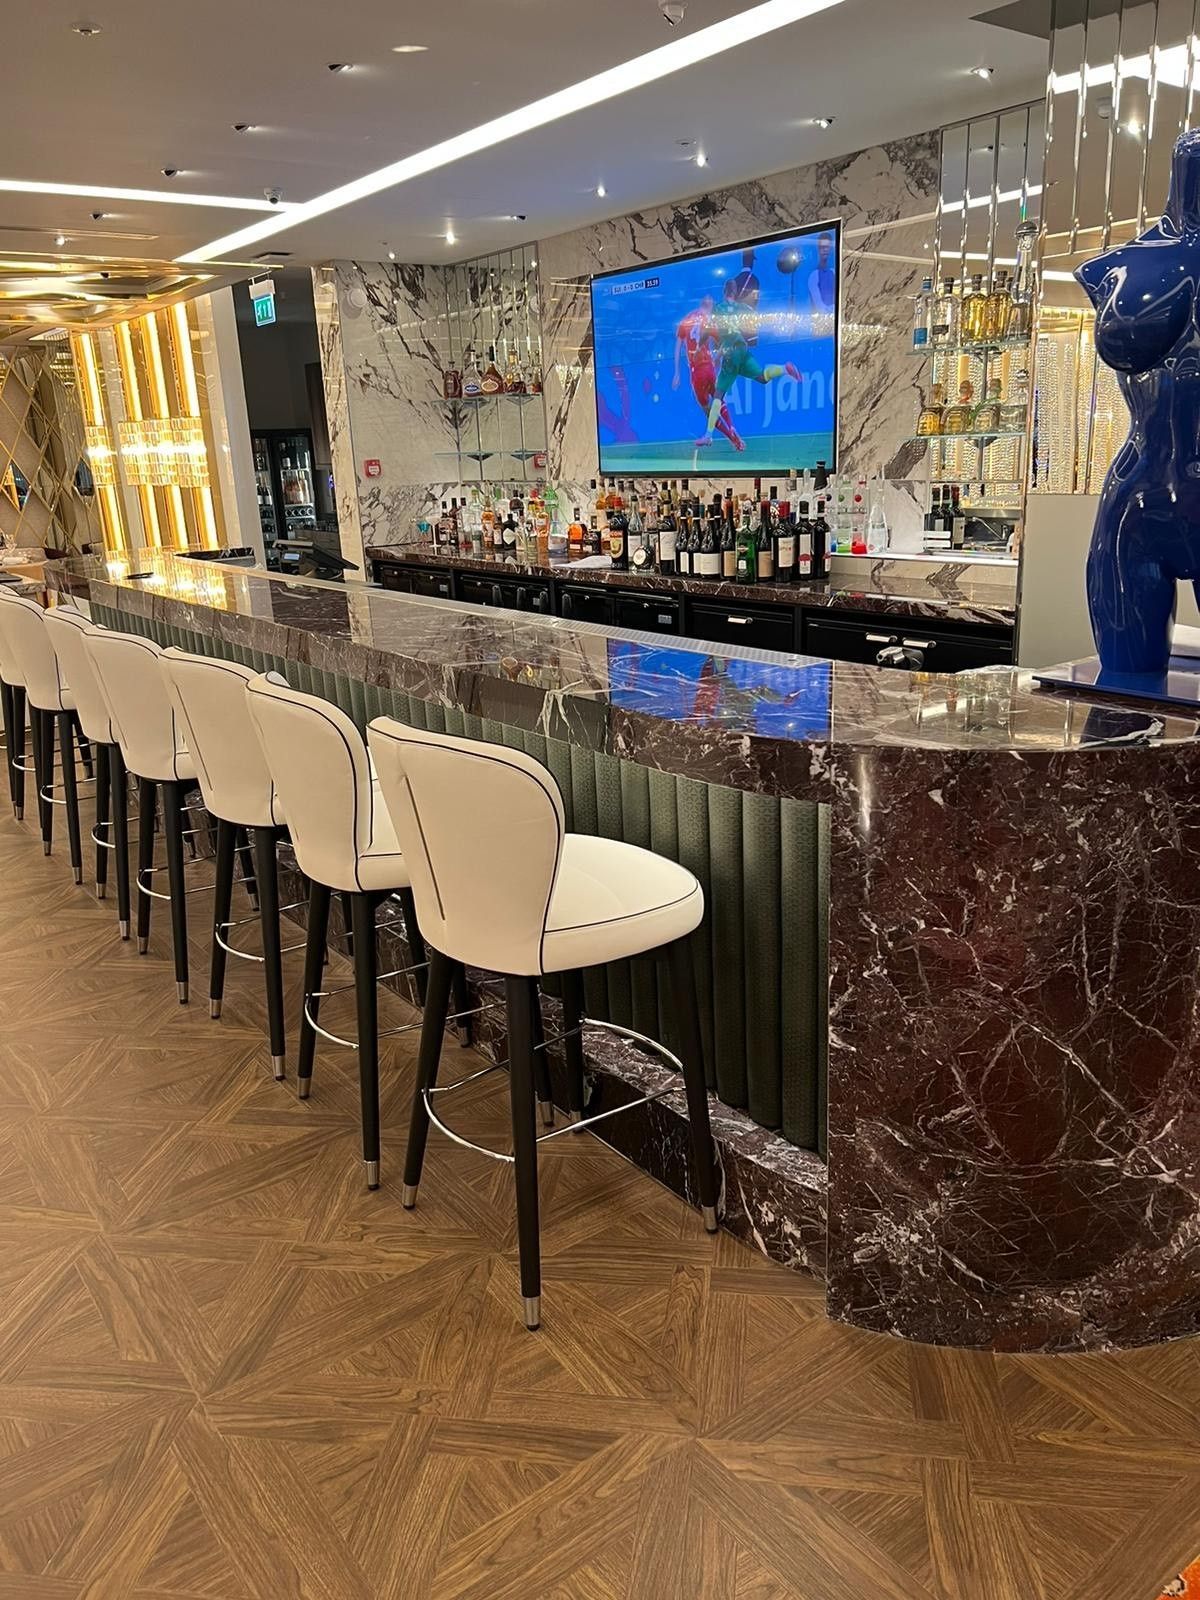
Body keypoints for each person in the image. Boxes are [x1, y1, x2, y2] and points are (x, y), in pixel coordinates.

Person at [694, 277, 800, 449]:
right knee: (762, 377)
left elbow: (706, 330)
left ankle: (708, 435)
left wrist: (700, 346)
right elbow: (754, 325)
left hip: (730, 351)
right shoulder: (743, 308)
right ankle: (784, 369)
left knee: (717, 395)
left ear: (724, 292)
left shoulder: (718, 308)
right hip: (742, 349)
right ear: (735, 293)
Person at [673, 292, 743, 450]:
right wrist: (717, 358)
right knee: (718, 399)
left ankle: (724, 437)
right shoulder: (710, 321)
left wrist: (676, 371)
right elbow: (724, 343)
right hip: (709, 367)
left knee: (707, 409)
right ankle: (731, 427)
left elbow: (677, 345)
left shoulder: (687, 319)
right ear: (710, 305)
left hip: (696, 371)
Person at [808, 232, 836, 314]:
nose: (825, 250)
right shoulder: (814, 276)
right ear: (818, 249)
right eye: (822, 247)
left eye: (827, 247)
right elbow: (820, 307)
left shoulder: (834, 272)